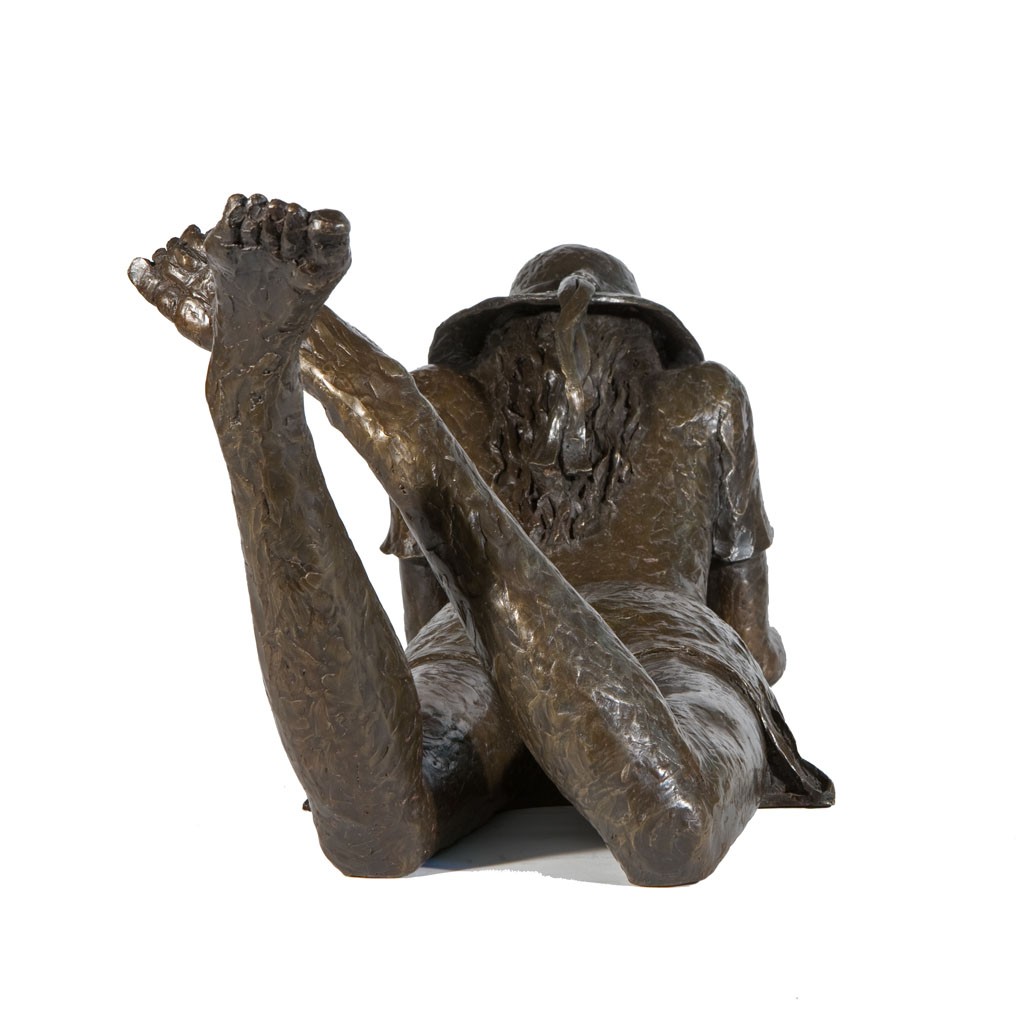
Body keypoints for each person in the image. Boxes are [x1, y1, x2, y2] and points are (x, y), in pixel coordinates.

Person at [129, 194, 832, 886]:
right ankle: (362, 402)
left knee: (377, 831)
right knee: (673, 826)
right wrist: (763, 657)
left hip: (467, 644)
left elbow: (417, 631)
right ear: (644, 335)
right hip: (665, 638)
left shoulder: (449, 396)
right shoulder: (705, 397)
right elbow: (747, 635)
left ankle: (277, 404)